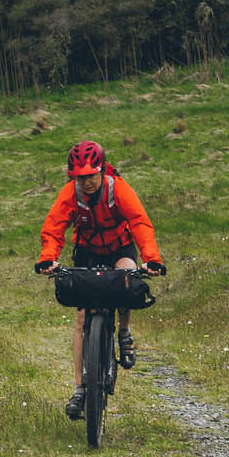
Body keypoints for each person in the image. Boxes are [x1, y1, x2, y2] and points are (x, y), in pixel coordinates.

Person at [34, 140, 166, 420]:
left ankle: (125, 331)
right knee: (82, 318)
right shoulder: (71, 194)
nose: (86, 182)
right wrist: (48, 258)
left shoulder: (117, 188)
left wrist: (152, 259)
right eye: (80, 177)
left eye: (91, 175)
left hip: (120, 247)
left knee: (127, 277)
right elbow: (54, 226)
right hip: (87, 251)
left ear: (102, 171)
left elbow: (140, 223)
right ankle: (81, 388)